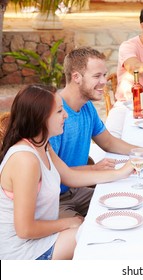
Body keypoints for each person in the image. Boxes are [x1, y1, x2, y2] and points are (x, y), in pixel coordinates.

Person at [0, 84, 135, 260]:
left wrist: (121, 172)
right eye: (59, 111)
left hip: (39, 238)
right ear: (39, 118)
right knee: (100, 239)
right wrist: (69, 222)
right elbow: (25, 230)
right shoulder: (26, 160)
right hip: (22, 252)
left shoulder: (42, 145)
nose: (66, 115)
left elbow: (70, 176)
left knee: (110, 225)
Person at [49, 47, 140, 218]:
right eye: (97, 76)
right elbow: (53, 173)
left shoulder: (87, 107)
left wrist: (142, 151)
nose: (104, 81)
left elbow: (108, 142)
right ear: (76, 77)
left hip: (78, 190)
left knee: (128, 205)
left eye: (104, 75)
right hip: (55, 200)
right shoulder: (54, 114)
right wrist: (94, 169)